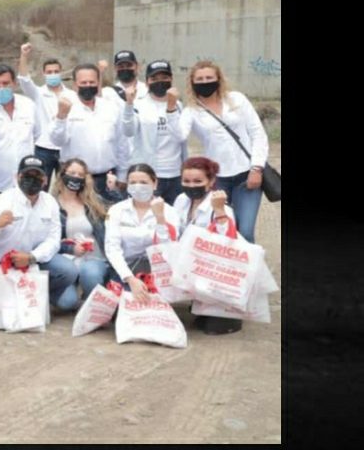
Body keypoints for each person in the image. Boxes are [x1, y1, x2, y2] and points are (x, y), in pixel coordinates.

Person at [166, 60, 269, 243]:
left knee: (244, 230)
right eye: (200, 79)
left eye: (209, 78)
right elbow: (179, 136)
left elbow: (257, 133)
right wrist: (171, 108)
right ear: (192, 82)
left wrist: (257, 168)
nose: (205, 82)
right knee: (222, 228)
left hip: (247, 174)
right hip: (217, 179)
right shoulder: (192, 110)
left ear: (219, 79)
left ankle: (247, 270)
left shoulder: (237, 99)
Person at [0, 155, 80, 312]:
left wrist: (31, 257)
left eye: (37, 176)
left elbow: (53, 240)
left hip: (34, 262)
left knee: (68, 276)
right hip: (1, 264)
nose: (32, 179)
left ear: (45, 180)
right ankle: (22, 294)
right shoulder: (1, 201)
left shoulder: (50, 202)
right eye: (27, 175)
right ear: (17, 177)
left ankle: (34, 293)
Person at [172, 156, 242, 335]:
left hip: (213, 267)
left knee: (214, 326)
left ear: (211, 182)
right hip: (188, 261)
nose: (191, 185)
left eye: (198, 181)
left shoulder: (222, 207)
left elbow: (227, 244)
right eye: (186, 181)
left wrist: (219, 211)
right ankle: (199, 303)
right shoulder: (181, 200)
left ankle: (222, 308)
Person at [50, 64, 131, 204]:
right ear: (75, 85)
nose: (88, 85)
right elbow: (57, 141)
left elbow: (121, 143)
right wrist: (61, 117)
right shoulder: (66, 107)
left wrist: (123, 176)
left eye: (92, 82)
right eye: (83, 83)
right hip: (76, 180)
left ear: (98, 83)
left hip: (107, 180)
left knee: (108, 221)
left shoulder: (111, 107)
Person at [0, 64, 42, 223]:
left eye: (6, 83)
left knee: (25, 226)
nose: (1, 88)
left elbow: (37, 134)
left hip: (24, 183)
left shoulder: (28, 105)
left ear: (14, 84)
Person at [102, 164, 180, 303]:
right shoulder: (117, 210)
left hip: (157, 270)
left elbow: (169, 248)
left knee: (150, 305)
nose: (138, 186)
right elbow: (112, 248)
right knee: (120, 304)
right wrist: (130, 279)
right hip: (126, 267)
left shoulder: (170, 212)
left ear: (155, 183)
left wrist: (160, 218)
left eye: (143, 182)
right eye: (133, 182)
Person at [121, 60, 187, 204]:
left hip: (174, 173)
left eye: (164, 78)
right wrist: (128, 104)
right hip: (149, 174)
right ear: (146, 82)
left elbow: (181, 137)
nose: (160, 82)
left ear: (171, 80)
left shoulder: (179, 106)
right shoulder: (139, 104)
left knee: (173, 220)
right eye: (154, 79)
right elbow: (128, 131)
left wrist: (171, 107)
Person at [51, 158, 110, 305]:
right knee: (66, 303)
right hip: (67, 260)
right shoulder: (50, 204)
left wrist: (113, 188)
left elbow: (117, 208)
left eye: (80, 175)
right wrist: (70, 248)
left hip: (94, 258)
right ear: (62, 174)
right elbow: (45, 240)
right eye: (72, 173)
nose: (75, 177)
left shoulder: (93, 202)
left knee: (90, 274)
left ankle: (90, 301)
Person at [17, 43, 75, 181]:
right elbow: (24, 79)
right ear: (44, 74)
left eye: (56, 72)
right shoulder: (38, 93)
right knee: (41, 183)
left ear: (61, 73)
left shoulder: (71, 95)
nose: (53, 74)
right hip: (43, 148)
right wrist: (24, 56)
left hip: (66, 147)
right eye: (49, 72)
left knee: (67, 185)